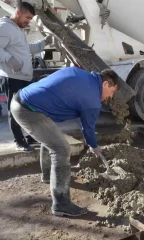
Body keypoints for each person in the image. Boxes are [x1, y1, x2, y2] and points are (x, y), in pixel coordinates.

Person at [11, 66, 119, 217]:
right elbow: (88, 128)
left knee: (50, 138)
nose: (110, 97)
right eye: (112, 92)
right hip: (28, 111)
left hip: (21, 100)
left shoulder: (81, 74)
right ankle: (61, 204)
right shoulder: (93, 98)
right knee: (61, 149)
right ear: (106, 84)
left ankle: (49, 176)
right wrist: (94, 146)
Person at [0, 1, 52, 151]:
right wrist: (8, 59)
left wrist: (44, 43)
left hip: (23, 77)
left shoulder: (18, 29)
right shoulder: (4, 27)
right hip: (11, 77)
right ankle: (19, 142)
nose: (28, 21)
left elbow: (25, 49)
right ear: (18, 12)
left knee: (29, 110)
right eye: (27, 17)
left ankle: (28, 138)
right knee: (15, 110)